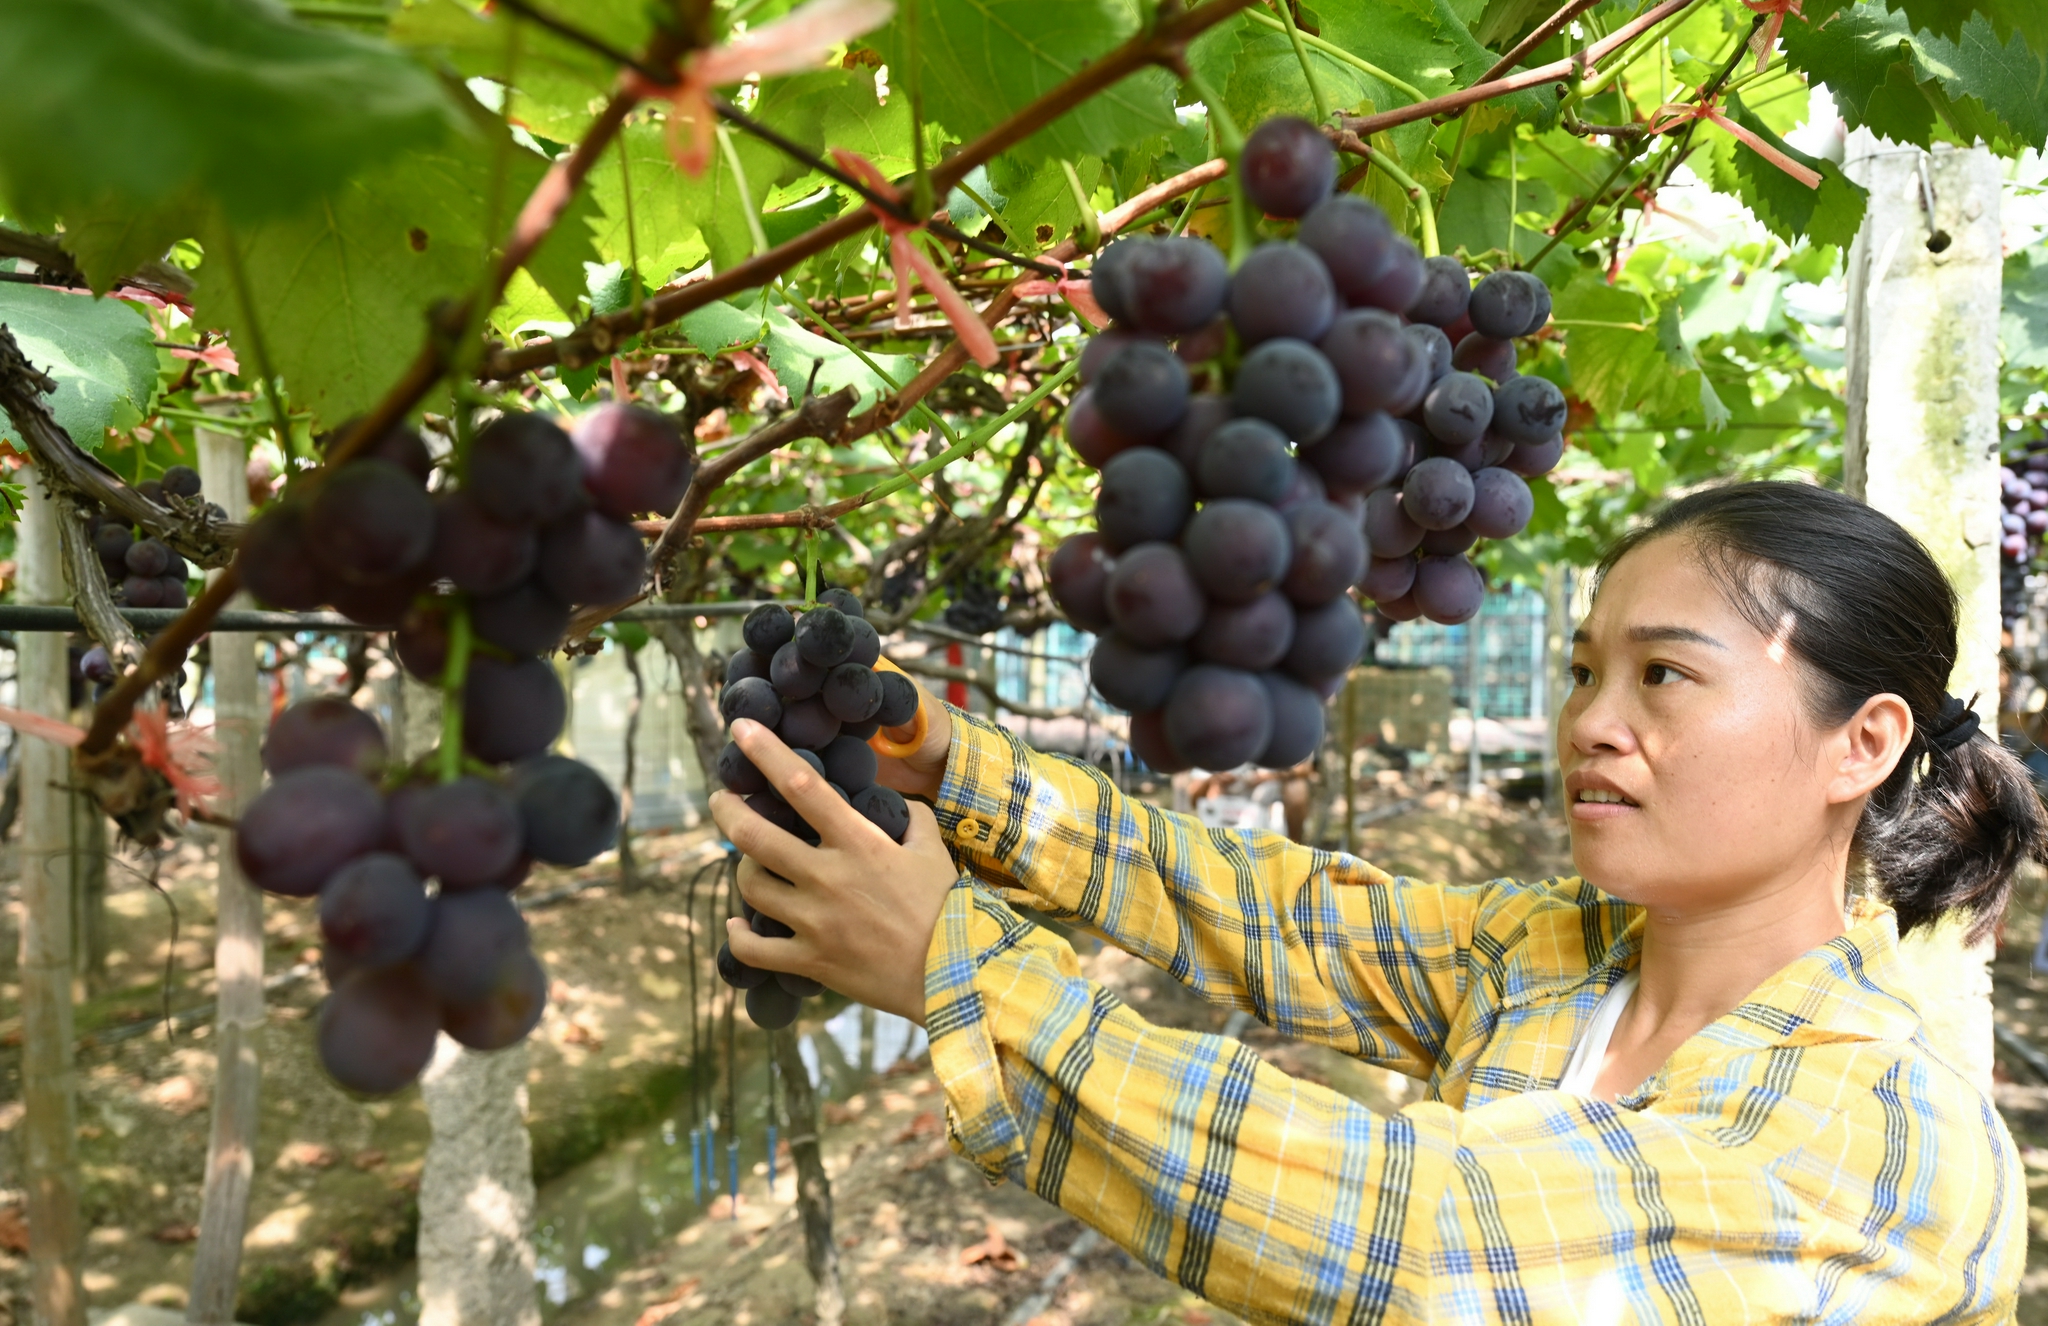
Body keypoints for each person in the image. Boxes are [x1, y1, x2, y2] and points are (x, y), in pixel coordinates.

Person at [712, 481, 2038, 1324]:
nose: (1590, 723)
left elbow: (1425, 1238)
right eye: (1585, 671)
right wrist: (957, 767)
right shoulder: (1559, 959)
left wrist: (962, 966)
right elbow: (1274, 911)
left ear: (1860, 744)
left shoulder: (1888, 1145)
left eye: (1665, 676)